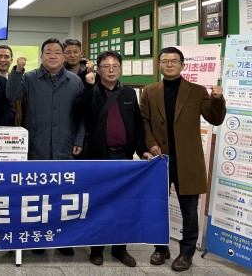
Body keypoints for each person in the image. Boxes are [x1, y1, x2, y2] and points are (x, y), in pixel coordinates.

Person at [141, 46, 225, 272]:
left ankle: (186, 253)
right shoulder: (149, 91)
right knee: (157, 205)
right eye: (165, 61)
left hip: (187, 160)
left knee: (189, 210)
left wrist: (217, 99)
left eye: (174, 61)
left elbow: (215, 118)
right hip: (160, 160)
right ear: (159, 64)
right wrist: (150, 143)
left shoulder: (197, 91)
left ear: (182, 65)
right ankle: (161, 248)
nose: (169, 64)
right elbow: (144, 121)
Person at [6, 37, 84, 256]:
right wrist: (17, 71)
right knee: (37, 195)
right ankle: (38, 237)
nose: (52, 56)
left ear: (64, 56)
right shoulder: (30, 77)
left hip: (65, 146)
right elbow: (12, 95)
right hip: (37, 146)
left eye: (57, 52)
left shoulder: (75, 81)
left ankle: (63, 240)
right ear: (41, 56)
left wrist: (78, 140)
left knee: (63, 195)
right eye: (48, 52)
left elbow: (82, 116)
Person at [81, 51, 153, 267]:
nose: (111, 70)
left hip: (124, 157)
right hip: (99, 157)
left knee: (124, 204)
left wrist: (142, 150)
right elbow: (82, 114)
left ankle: (120, 249)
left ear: (120, 68)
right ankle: (97, 249)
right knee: (99, 203)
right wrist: (88, 88)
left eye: (115, 66)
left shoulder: (129, 93)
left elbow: (138, 125)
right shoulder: (92, 91)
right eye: (106, 66)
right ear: (98, 69)